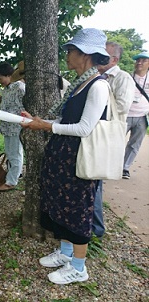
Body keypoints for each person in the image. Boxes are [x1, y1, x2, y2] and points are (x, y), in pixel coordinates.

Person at [21, 28, 111, 284]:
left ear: (86, 54)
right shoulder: (81, 83)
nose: (67, 55)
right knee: (62, 206)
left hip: (79, 159)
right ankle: (66, 252)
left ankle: (79, 267)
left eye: (71, 51)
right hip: (63, 158)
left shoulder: (98, 86)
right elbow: (64, 120)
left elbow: (85, 128)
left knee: (78, 210)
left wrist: (46, 126)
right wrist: (39, 121)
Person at [95, 41, 135, 237]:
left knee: (94, 181)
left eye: (105, 55)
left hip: (106, 135)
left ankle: (96, 229)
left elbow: (121, 107)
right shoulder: (97, 76)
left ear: (115, 60)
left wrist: (96, 107)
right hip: (94, 133)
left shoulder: (122, 78)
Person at [0, 62, 25, 191]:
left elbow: (23, 108)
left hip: (16, 126)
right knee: (10, 153)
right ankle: (13, 176)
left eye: (1, 78)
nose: (0, 82)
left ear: (8, 75)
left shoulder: (20, 88)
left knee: (15, 154)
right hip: (6, 127)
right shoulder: (5, 90)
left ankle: (11, 181)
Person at [123, 51, 149, 179]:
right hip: (125, 115)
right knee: (115, 140)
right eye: (138, 60)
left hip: (142, 117)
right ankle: (110, 164)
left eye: (143, 60)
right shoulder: (127, 77)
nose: (139, 62)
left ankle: (125, 168)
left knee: (134, 144)